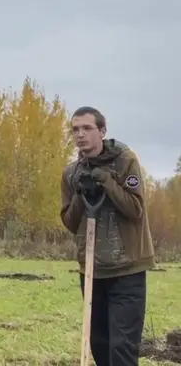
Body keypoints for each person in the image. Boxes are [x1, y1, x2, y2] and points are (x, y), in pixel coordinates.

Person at [61, 106, 154, 365]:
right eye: (75, 129)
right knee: (99, 345)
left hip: (128, 270)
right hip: (92, 270)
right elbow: (70, 222)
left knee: (122, 349)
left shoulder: (125, 161)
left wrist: (106, 181)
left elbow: (135, 210)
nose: (80, 134)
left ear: (102, 131)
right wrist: (80, 194)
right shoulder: (71, 173)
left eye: (87, 128)